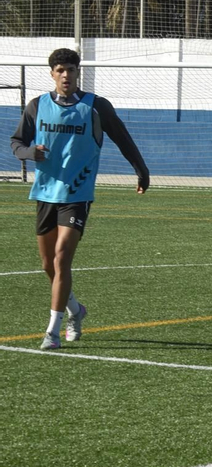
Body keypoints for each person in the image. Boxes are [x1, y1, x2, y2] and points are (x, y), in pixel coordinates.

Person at [10, 47, 151, 350]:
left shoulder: (96, 106)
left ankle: (53, 331)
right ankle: (76, 309)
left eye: (70, 70)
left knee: (62, 257)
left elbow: (122, 138)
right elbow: (17, 142)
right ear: (52, 73)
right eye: (60, 70)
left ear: (77, 73)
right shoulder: (37, 106)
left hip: (78, 193)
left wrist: (141, 170)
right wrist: (29, 153)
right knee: (48, 264)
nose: (65, 75)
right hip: (46, 192)